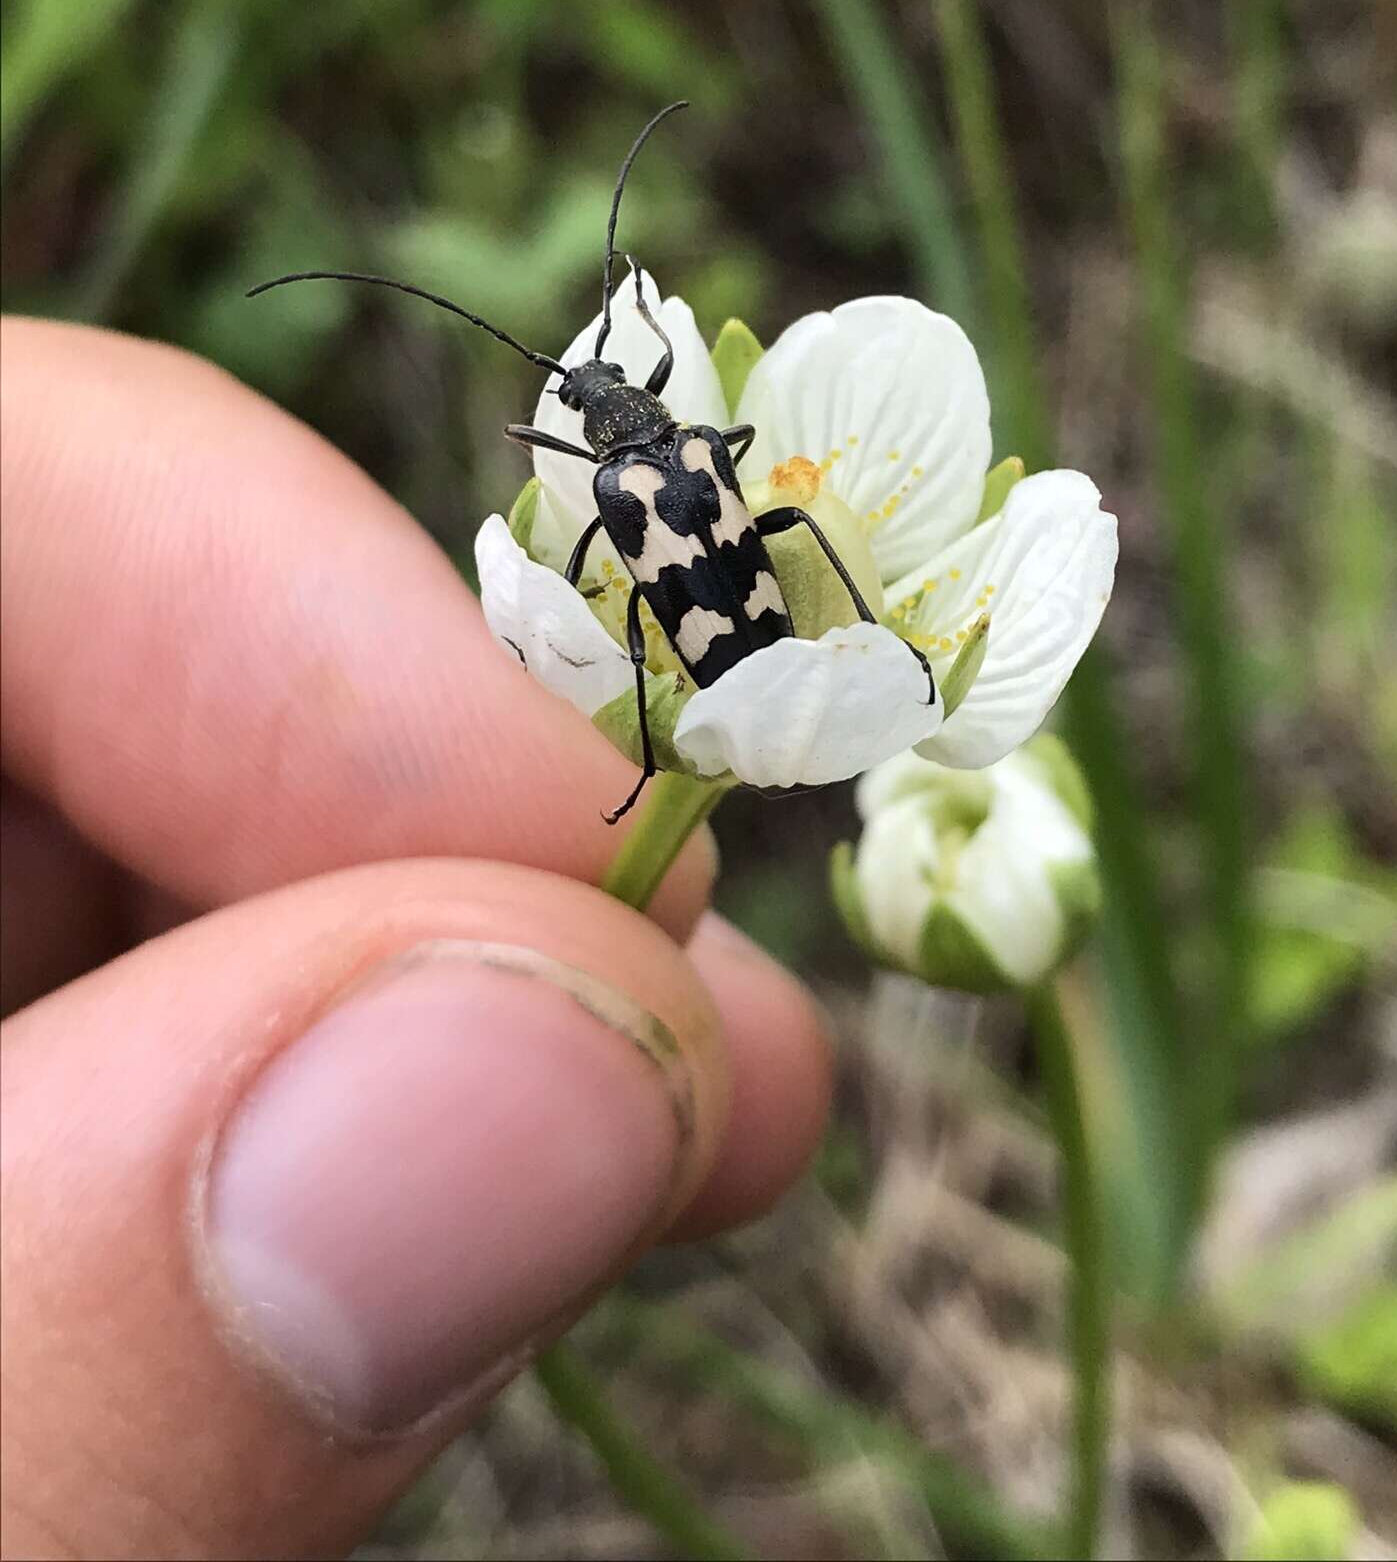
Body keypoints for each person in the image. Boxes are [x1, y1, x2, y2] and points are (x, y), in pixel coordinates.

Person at [0, 317, 831, 1560]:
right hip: (749, 642)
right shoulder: (698, 452)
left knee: (673, 627)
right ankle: (705, 713)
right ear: (636, 409)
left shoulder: (616, 489)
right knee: (746, 575)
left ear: (595, 418)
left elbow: (657, 605)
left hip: (726, 658)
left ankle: (689, 724)